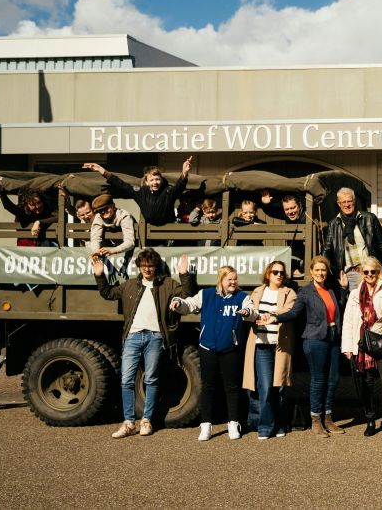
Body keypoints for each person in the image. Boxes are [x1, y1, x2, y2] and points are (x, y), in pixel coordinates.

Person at [92, 249, 192, 438]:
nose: (147, 269)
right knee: (126, 380)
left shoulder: (168, 284)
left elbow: (187, 293)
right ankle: (129, 422)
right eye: (144, 265)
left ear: (156, 267)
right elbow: (108, 293)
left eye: (151, 265)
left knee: (151, 379)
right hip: (133, 336)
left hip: (155, 337)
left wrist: (184, 273)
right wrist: (99, 275)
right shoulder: (130, 285)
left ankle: (147, 420)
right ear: (139, 266)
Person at [259, 256, 348, 437]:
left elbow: (338, 308)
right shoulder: (305, 292)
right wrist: (276, 317)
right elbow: (294, 312)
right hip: (314, 340)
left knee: (333, 380)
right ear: (311, 272)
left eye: (323, 270)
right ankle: (316, 420)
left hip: (332, 338)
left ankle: (328, 418)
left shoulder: (330, 290)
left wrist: (344, 289)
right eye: (317, 270)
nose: (321, 273)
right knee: (319, 380)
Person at [170, 266, 257, 441]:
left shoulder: (242, 297)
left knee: (231, 387)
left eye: (235, 279)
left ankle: (233, 423)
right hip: (208, 348)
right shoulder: (207, 294)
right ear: (221, 280)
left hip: (230, 349)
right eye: (229, 279)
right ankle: (206, 425)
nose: (233, 282)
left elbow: (253, 312)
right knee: (208, 387)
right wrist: (179, 302)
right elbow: (190, 305)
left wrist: (247, 312)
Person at [341, 257, 382, 436]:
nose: (370, 275)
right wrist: (347, 347)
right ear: (362, 274)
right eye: (366, 272)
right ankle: (370, 420)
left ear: (379, 273)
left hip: (381, 340)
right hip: (361, 342)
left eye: (373, 272)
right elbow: (348, 321)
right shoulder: (355, 294)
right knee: (367, 383)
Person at [243, 261, 296, 440]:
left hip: (280, 346)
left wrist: (272, 316)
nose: (279, 275)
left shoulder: (289, 292)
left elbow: (289, 310)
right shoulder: (258, 292)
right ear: (268, 274)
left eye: (281, 272)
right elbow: (251, 311)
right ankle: (265, 426)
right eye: (275, 272)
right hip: (262, 346)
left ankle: (280, 424)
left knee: (279, 388)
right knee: (264, 387)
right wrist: (248, 313)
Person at [83, 157, 191, 231]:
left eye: (157, 179)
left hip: (168, 230)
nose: (155, 182)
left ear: (161, 180)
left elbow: (179, 187)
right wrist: (102, 171)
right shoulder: (141, 192)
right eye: (152, 180)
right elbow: (121, 184)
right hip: (149, 232)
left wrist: (184, 173)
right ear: (147, 182)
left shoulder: (168, 191)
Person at [322, 187, 382, 290]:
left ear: (354, 201)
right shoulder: (333, 224)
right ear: (339, 204)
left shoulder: (369, 218)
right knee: (356, 304)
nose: (347, 205)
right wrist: (325, 270)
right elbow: (327, 249)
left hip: (370, 271)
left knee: (374, 304)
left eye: (349, 201)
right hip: (350, 274)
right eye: (344, 202)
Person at [0, 175, 58, 246]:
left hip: (44, 250)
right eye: (32, 204)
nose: (37, 206)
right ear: (26, 205)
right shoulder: (22, 213)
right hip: (25, 251)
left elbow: (59, 217)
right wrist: (0, 188)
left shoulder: (47, 210)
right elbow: (8, 206)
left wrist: (39, 222)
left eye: (39, 202)